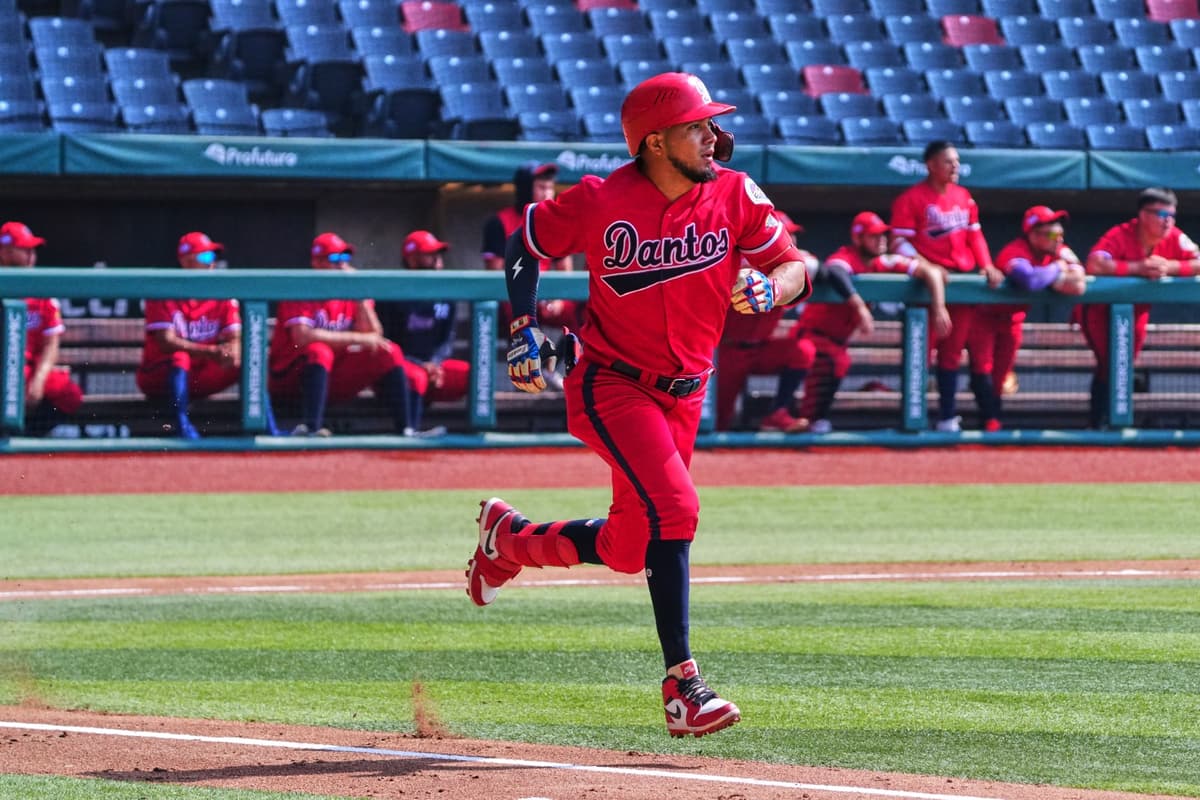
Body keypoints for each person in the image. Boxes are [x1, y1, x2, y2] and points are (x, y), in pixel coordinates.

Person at [465, 72, 811, 738]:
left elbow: (797, 264)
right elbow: (524, 244)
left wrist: (775, 290)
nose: (712, 135)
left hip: (686, 395)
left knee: (630, 548)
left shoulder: (735, 193)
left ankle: (507, 538)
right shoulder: (601, 199)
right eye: (696, 125)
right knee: (677, 509)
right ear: (654, 141)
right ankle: (685, 688)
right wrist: (521, 326)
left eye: (712, 123)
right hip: (611, 383)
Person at [795, 211, 950, 434]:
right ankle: (799, 422)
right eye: (874, 236)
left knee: (837, 365)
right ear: (858, 239)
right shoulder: (845, 256)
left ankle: (810, 421)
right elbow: (835, 272)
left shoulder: (881, 261)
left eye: (883, 236)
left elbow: (931, 272)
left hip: (837, 340)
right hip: (813, 334)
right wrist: (859, 306)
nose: (881, 241)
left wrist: (938, 306)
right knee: (830, 364)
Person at [890, 140, 1005, 432]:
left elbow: (974, 236)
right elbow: (898, 242)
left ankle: (947, 417)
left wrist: (987, 265)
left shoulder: (963, 196)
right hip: (926, 285)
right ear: (930, 165)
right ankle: (912, 418)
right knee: (922, 352)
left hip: (960, 282)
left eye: (956, 161)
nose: (955, 167)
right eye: (948, 162)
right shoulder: (911, 198)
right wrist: (925, 264)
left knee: (953, 353)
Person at [268, 232, 418, 437]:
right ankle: (312, 428)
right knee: (320, 351)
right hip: (289, 377)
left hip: (331, 375)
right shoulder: (301, 288)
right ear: (316, 262)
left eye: (345, 259)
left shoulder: (350, 292)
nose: (342, 265)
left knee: (389, 351)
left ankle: (407, 430)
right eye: (334, 259)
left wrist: (358, 295)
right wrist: (358, 339)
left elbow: (375, 335)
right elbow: (302, 337)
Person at [135, 232, 276, 439]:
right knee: (180, 358)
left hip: (199, 378)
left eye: (213, 257)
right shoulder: (163, 291)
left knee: (246, 360)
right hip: (159, 377)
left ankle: (268, 429)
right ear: (185, 260)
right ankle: (181, 429)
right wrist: (212, 352)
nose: (212, 263)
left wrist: (232, 351)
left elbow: (235, 336)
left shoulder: (221, 293)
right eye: (205, 257)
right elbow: (166, 343)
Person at [1080, 187, 1199, 428]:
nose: (1168, 221)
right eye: (1161, 214)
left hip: (1137, 312)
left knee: (1124, 365)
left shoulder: (1175, 236)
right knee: (1109, 364)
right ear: (1143, 215)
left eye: (1171, 215)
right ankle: (1098, 423)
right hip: (1100, 311)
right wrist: (1138, 268)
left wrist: (1171, 267)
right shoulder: (1121, 234)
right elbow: (1094, 263)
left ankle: (1114, 420)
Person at [970, 206, 1086, 431]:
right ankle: (989, 420)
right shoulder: (1015, 252)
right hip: (985, 317)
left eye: (1060, 234)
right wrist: (1057, 270)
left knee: (1001, 374)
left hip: (1013, 319)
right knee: (982, 369)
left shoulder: (1058, 250)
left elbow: (1079, 278)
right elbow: (1030, 281)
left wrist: (1051, 275)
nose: (1058, 239)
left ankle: (993, 422)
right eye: (1052, 235)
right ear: (1033, 234)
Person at [714, 211, 819, 432]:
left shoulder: (793, 268)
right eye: (786, 235)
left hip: (762, 350)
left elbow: (814, 266)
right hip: (728, 352)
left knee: (803, 350)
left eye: (792, 235)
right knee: (719, 421)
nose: (792, 241)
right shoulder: (739, 261)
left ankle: (777, 413)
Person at [481, 161, 583, 347]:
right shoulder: (499, 222)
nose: (547, 193)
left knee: (584, 310)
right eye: (541, 187)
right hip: (512, 296)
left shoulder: (556, 223)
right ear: (526, 189)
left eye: (550, 188)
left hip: (546, 294)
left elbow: (565, 272)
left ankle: (559, 369)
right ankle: (535, 368)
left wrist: (558, 299)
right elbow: (496, 275)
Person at [379, 229, 468, 435]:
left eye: (438, 253)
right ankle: (409, 431)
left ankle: (477, 434)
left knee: (474, 376)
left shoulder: (446, 294)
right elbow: (388, 345)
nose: (438, 259)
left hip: (432, 366)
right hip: (398, 371)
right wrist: (422, 366)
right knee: (416, 377)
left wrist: (435, 364)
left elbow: (447, 340)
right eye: (430, 254)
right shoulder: (392, 294)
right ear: (411, 259)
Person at [0, 221, 83, 434]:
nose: (31, 255)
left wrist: (39, 379)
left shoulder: (41, 290)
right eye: (25, 249)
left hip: (29, 369)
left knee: (69, 394)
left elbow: (50, 344)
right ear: (5, 252)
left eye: (33, 249)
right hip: (4, 368)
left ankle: (28, 437)